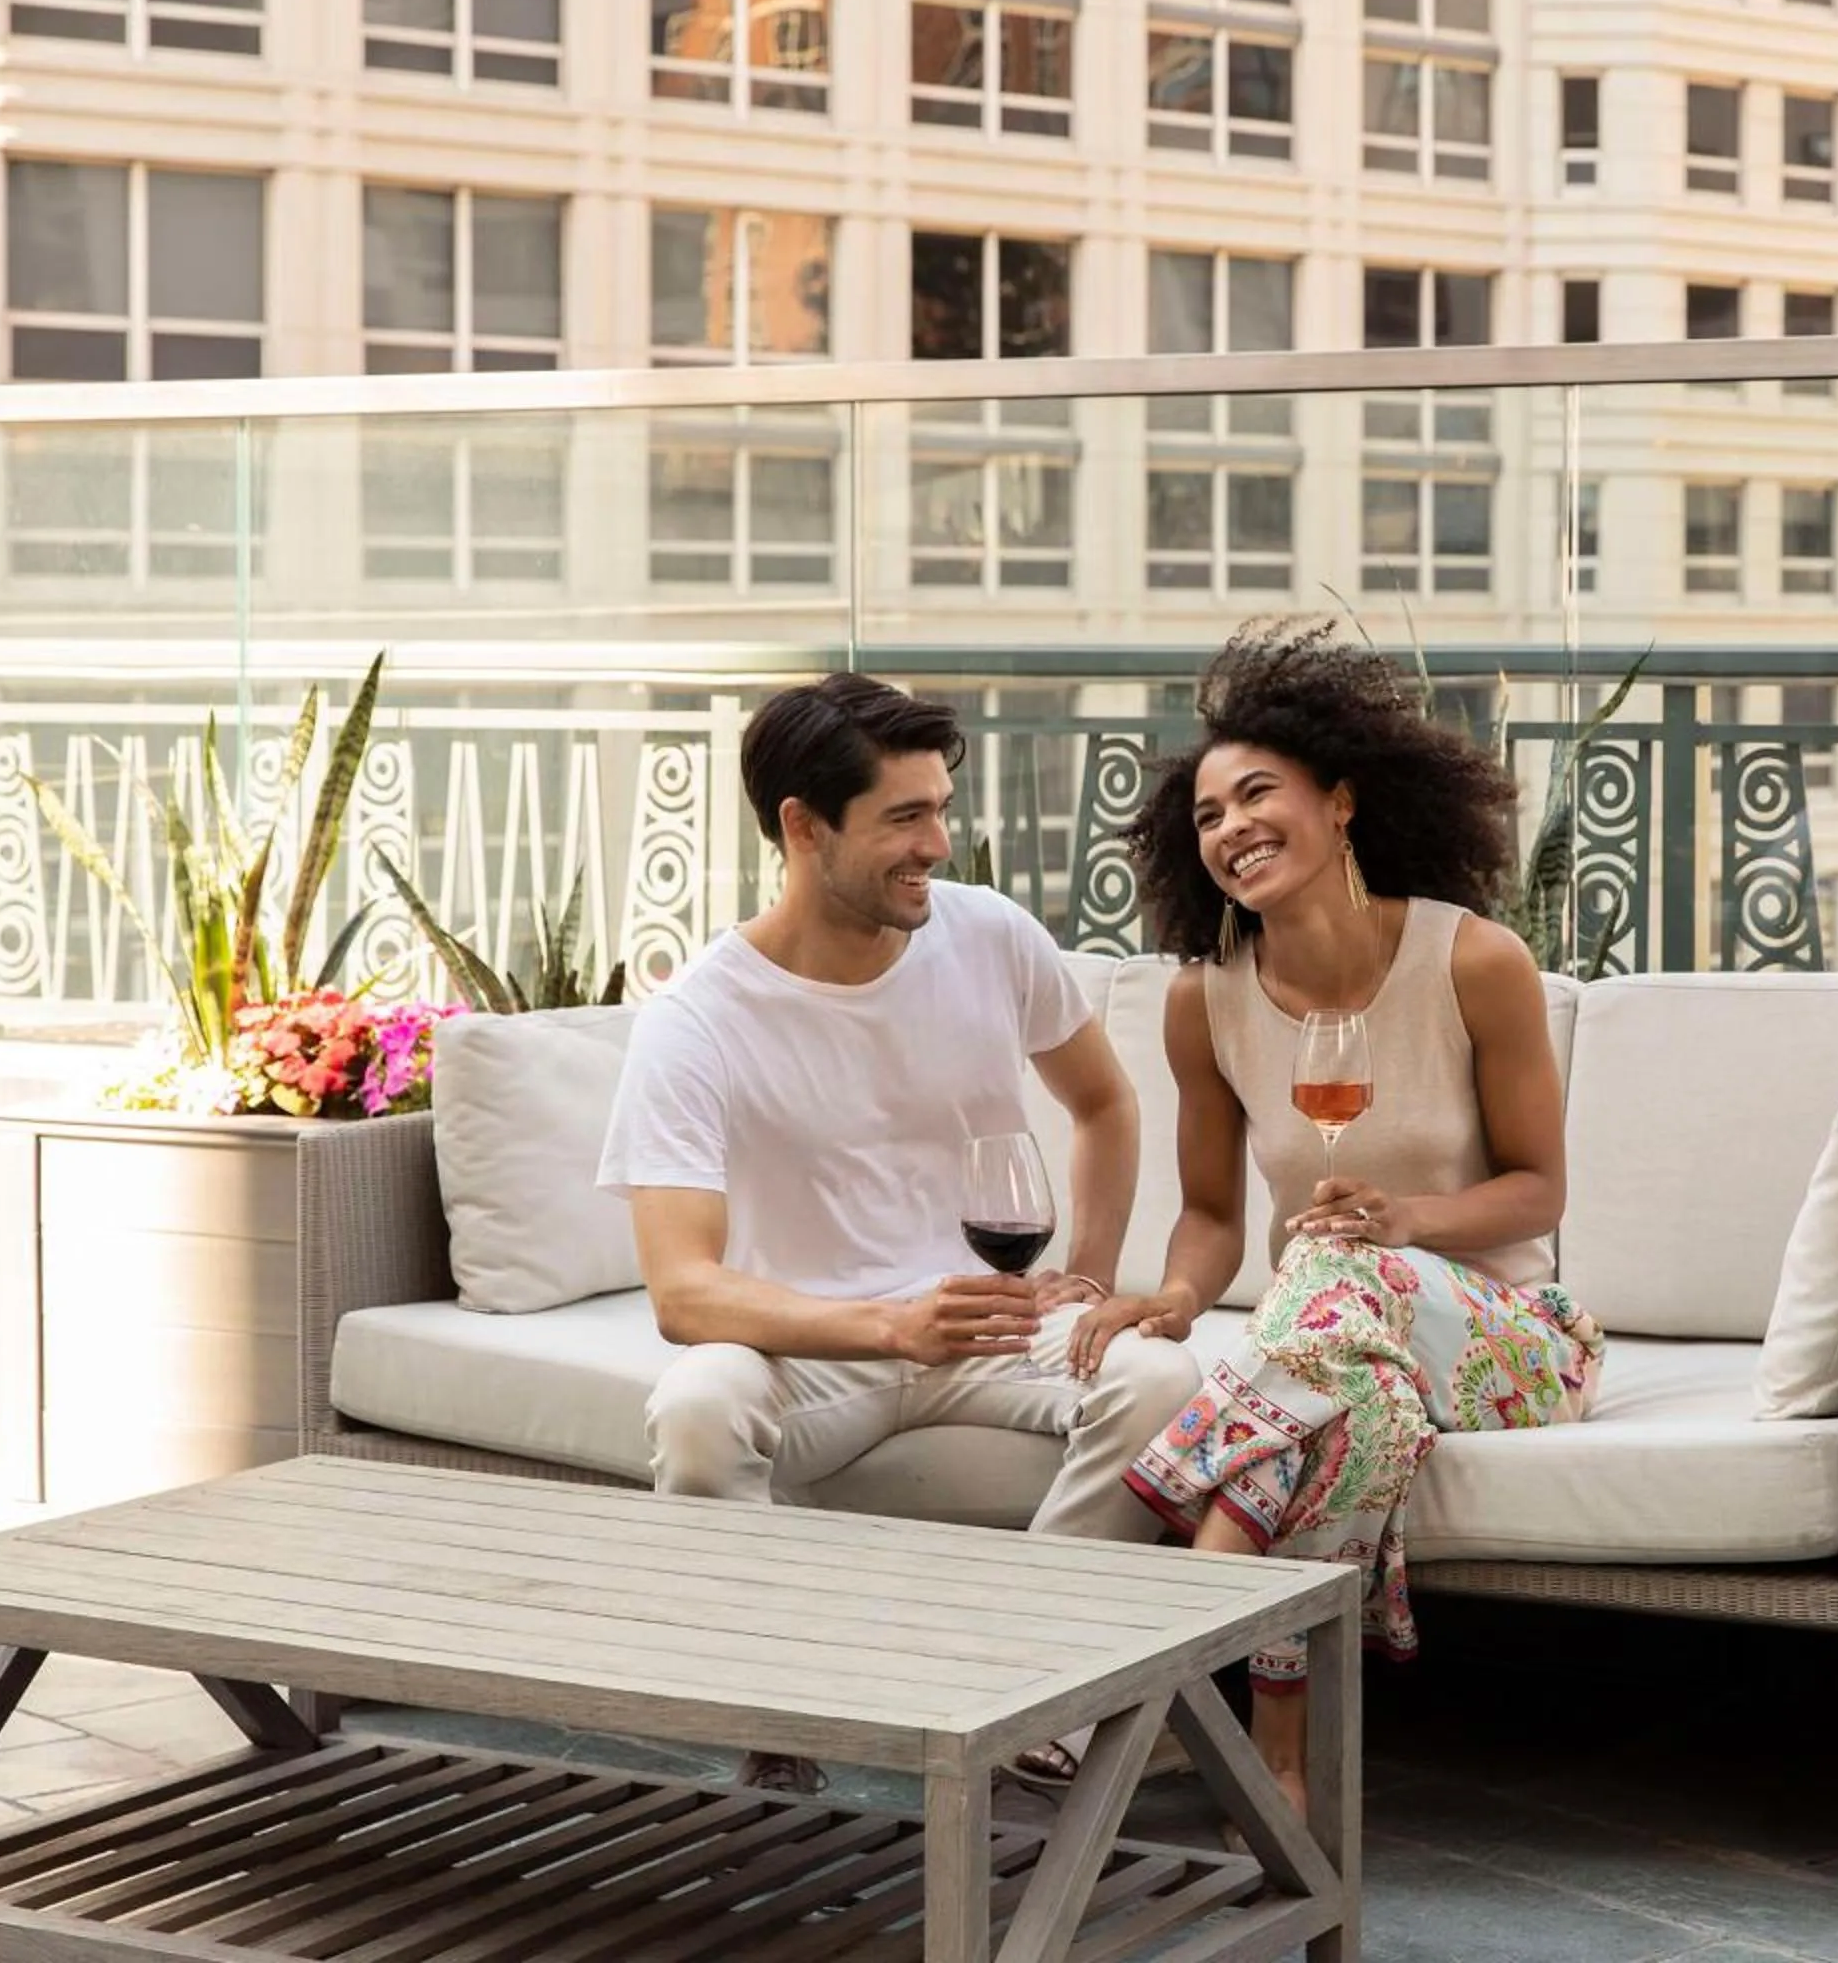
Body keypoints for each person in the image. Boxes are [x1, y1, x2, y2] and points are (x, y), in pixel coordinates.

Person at [597, 673, 1201, 1795]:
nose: (938, 841)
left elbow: (1106, 1105)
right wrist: (887, 1322)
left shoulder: (990, 936)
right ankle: (776, 1712)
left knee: (1164, 1379)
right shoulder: (696, 1021)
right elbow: (683, 1292)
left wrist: (1093, 1279)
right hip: (816, 1347)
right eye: (905, 817)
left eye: (941, 807)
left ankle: (1027, 1691)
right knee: (696, 1402)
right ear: (802, 825)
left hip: (992, 1327)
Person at [1075, 621, 1605, 1819]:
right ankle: (1282, 1759)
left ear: (1345, 800)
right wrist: (1170, 1295)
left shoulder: (1475, 961)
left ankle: (1177, 1613)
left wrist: (1406, 1217)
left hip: (1512, 1339)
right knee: (1347, 1395)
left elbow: (1540, 1189)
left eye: (1258, 793)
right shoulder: (1201, 1000)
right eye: (1207, 814)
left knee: (1328, 1259)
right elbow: (1212, 1216)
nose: (1230, 828)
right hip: (1342, 1350)